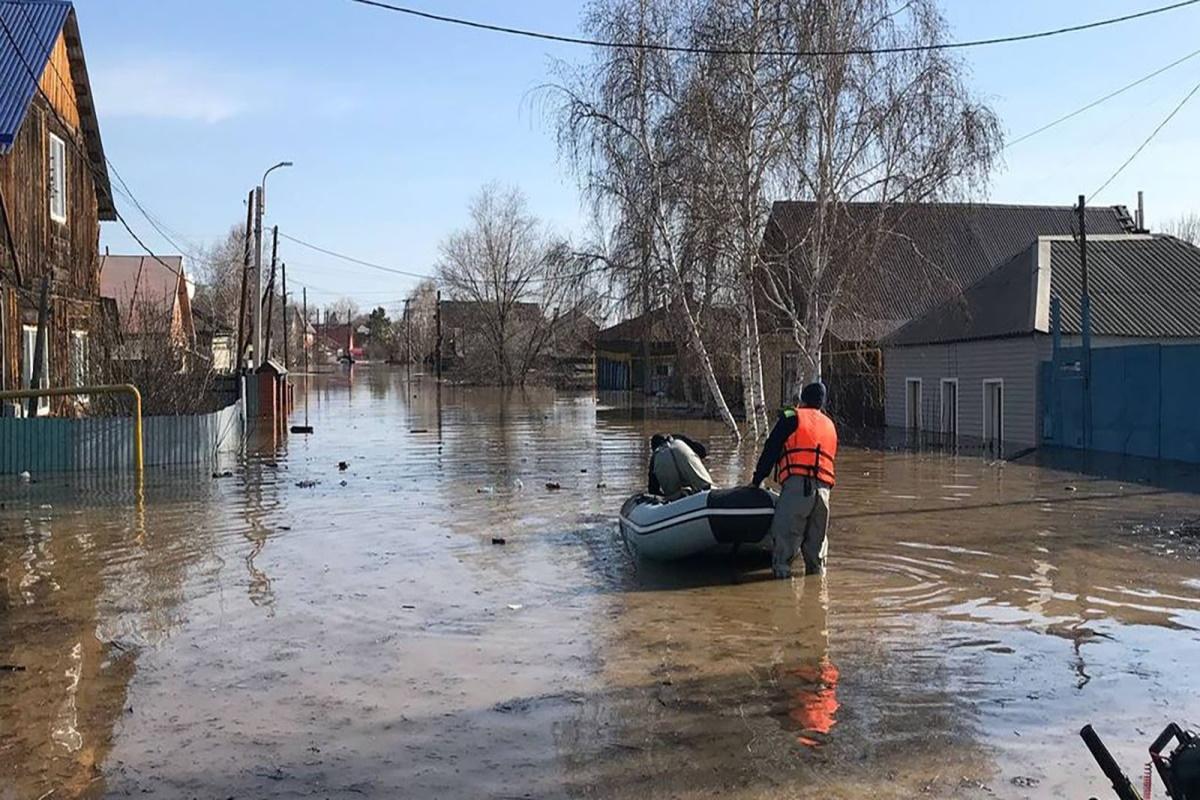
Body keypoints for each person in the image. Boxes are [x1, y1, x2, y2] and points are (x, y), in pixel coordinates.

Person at [748, 382, 837, 578]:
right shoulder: (829, 424)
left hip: (798, 488)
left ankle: (783, 598)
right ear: (821, 403)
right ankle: (817, 599)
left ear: (802, 400)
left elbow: (771, 449)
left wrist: (756, 480)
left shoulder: (791, 417)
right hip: (823, 493)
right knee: (817, 553)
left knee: (784, 548)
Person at [647, 433, 715, 501]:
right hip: (682, 450)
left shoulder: (655, 457)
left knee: (673, 496)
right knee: (705, 486)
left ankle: (678, 496)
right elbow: (702, 452)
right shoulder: (679, 438)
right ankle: (706, 490)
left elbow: (653, 491)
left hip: (665, 468)